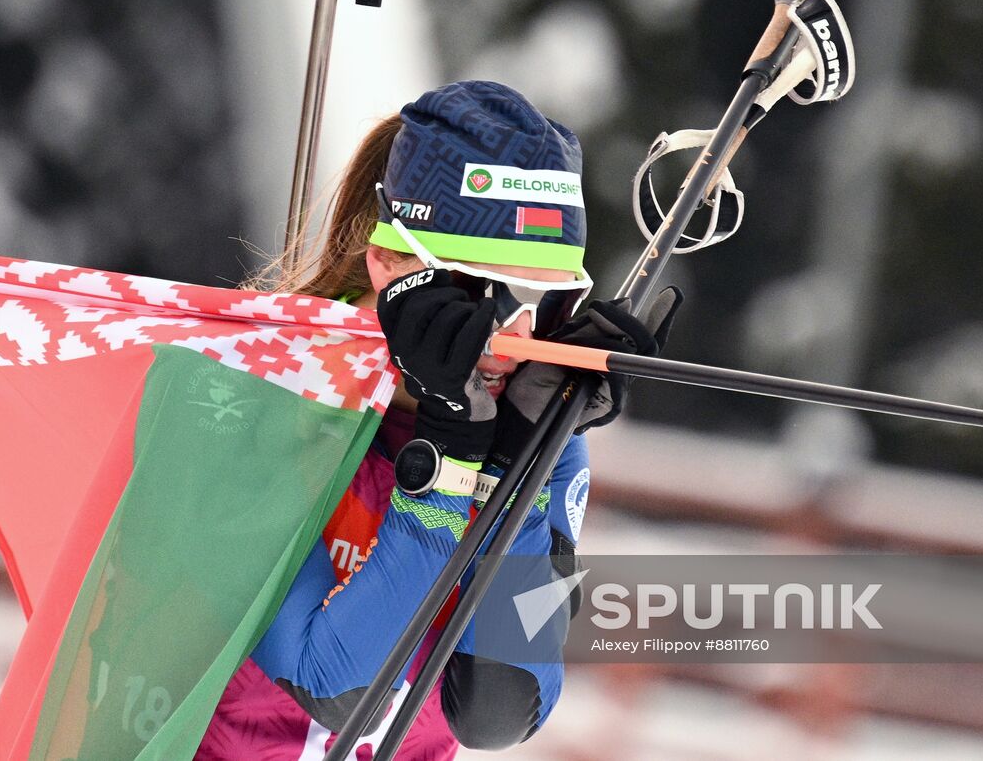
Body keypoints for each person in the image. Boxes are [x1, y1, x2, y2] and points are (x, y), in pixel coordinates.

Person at [197, 80, 679, 760]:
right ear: (391, 264)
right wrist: (448, 464)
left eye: (547, 300)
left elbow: (498, 709)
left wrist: (512, 467)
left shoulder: (538, 434)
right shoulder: (262, 397)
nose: (517, 330)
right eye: (490, 290)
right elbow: (334, 688)